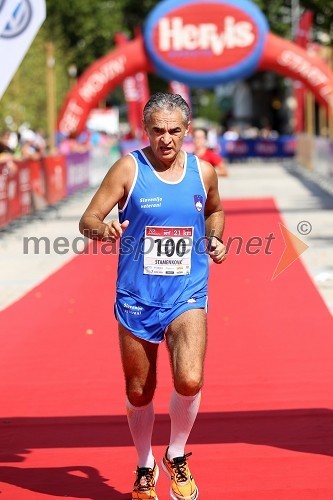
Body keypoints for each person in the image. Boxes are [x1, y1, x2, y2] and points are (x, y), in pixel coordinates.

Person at [79, 92, 226, 500]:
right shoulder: (129, 168)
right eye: (158, 130)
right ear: (146, 130)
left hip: (187, 293)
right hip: (137, 297)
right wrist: (102, 229)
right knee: (139, 390)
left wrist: (214, 238)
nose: (166, 139)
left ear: (187, 130)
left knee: (190, 378)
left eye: (174, 131)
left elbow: (214, 210)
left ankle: (175, 455)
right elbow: (87, 219)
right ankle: (144, 464)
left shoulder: (204, 171)